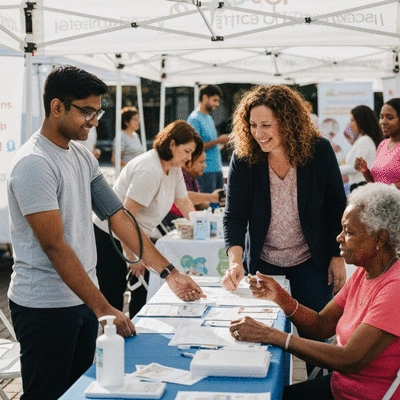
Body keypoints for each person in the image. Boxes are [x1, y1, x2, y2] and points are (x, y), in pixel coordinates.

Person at [6, 65, 204, 400]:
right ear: (57, 107)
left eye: (98, 110)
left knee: (82, 391)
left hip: (82, 299)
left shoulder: (81, 156)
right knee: (47, 393)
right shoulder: (34, 164)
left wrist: (168, 273)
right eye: (87, 111)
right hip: (45, 307)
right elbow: (55, 247)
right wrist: (104, 308)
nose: (95, 119)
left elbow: (119, 217)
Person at [231, 183, 400, 400]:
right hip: (340, 387)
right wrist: (280, 296)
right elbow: (321, 326)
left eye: (348, 232)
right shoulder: (363, 273)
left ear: (380, 238)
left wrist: (270, 335)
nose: (339, 237)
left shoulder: (394, 288)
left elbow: (349, 359)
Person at [222, 85, 347, 374]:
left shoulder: (318, 151)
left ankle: (320, 387)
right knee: (264, 339)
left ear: (288, 122)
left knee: (317, 335)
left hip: (310, 262)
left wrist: (336, 256)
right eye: (252, 125)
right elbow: (234, 216)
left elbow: (335, 207)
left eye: (266, 125)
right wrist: (235, 261)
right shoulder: (244, 159)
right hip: (264, 264)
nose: (258, 133)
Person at [94, 120, 204, 317]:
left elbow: (184, 202)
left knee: (140, 291)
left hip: (134, 236)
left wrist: (201, 225)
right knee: (114, 296)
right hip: (110, 237)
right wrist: (132, 255)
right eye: (187, 151)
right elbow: (126, 215)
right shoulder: (149, 169)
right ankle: (112, 341)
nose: (189, 158)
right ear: (172, 144)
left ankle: (132, 333)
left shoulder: (174, 167)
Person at [187, 84, 229, 193]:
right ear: (205, 97)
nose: (216, 104)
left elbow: (211, 143)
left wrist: (221, 142)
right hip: (205, 171)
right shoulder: (194, 119)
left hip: (217, 168)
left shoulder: (209, 118)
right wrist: (219, 140)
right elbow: (195, 147)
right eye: (214, 100)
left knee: (220, 204)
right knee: (208, 206)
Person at [164, 151, 225, 226]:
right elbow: (184, 197)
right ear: (189, 163)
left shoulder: (192, 179)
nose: (204, 166)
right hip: (175, 221)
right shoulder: (181, 176)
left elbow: (199, 205)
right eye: (201, 162)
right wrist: (212, 197)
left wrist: (218, 202)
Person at [355, 98, 400, 188]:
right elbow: (375, 184)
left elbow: (380, 189)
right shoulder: (383, 145)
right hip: (381, 200)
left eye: (390, 117)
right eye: (381, 117)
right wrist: (366, 172)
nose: (383, 122)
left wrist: (383, 191)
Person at [339, 105, 383, 192]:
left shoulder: (365, 140)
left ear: (361, 121)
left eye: (352, 120)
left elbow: (355, 167)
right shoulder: (363, 140)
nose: (350, 124)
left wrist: (333, 169)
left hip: (361, 186)